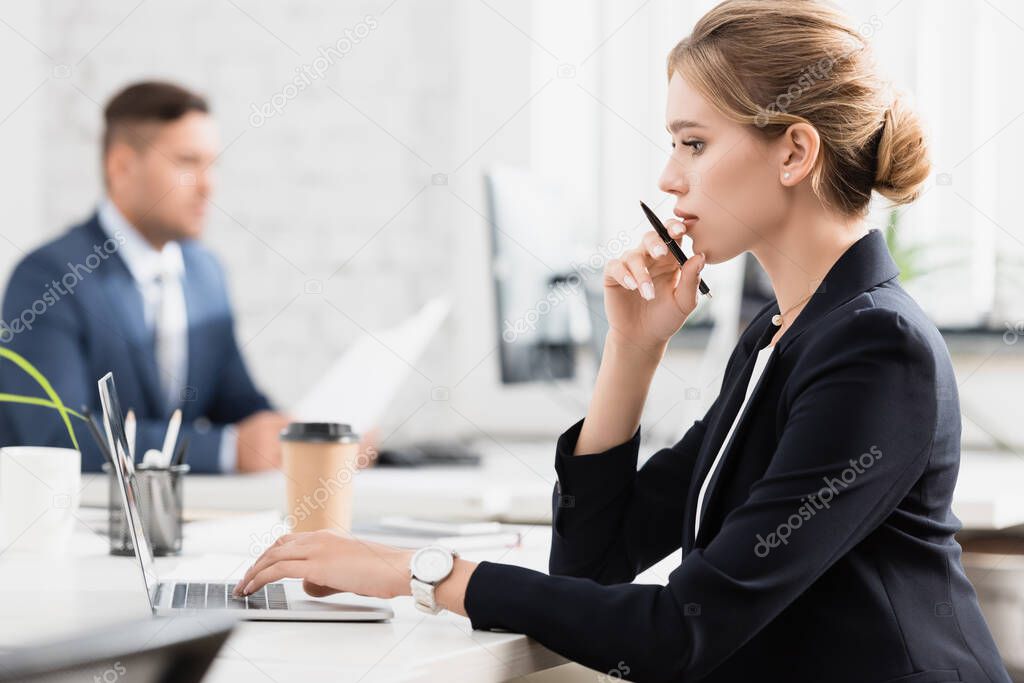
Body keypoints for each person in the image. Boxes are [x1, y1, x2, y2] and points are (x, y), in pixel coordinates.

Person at [233, 2, 1011, 680]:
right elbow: (594, 566)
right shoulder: (782, 333)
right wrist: (631, 352)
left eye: (694, 143)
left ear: (795, 151)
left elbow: (682, 631)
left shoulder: (876, 348)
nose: (670, 178)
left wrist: (416, 571)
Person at [0, 81, 289, 473]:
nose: (208, 185)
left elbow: (237, 404)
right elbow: (57, 436)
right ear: (121, 166)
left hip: (173, 523)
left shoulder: (206, 275)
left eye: (212, 165)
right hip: (76, 527)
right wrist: (224, 450)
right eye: (188, 162)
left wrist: (301, 439)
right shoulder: (49, 277)